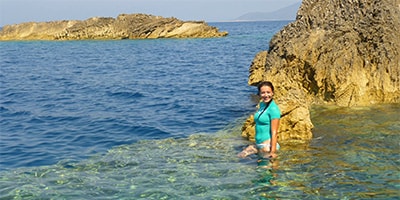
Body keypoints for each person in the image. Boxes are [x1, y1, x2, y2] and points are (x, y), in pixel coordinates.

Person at [238, 81, 281, 159]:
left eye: (268, 92)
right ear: (259, 94)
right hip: (259, 144)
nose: (266, 95)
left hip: (267, 146)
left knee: (263, 170)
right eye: (263, 93)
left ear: (272, 93)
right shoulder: (262, 105)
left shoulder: (273, 109)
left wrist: (272, 152)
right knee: (240, 156)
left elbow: (274, 133)